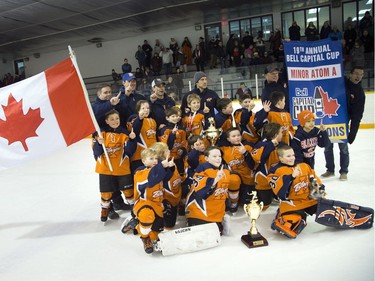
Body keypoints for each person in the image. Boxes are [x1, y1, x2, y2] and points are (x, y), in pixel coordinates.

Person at [267, 145, 326, 239]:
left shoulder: (304, 166)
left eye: (293, 155)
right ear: (281, 158)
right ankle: (281, 216)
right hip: (292, 203)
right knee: (292, 225)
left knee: (328, 209)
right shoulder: (275, 171)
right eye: (288, 156)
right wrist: (291, 177)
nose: (292, 158)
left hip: (308, 200)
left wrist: (320, 188)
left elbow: (314, 178)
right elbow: (280, 193)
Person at [321, 66, 366, 181]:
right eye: (356, 73)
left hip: (343, 123)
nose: (358, 76)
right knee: (327, 147)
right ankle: (330, 170)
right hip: (329, 119)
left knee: (343, 148)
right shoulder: (341, 82)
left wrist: (353, 133)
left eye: (361, 74)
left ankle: (344, 171)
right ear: (350, 74)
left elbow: (357, 115)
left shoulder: (360, 94)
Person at [92, 84, 131, 212]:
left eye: (109, 92)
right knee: (107, 175)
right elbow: (97, 112)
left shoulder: (113, 102)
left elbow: (125, 113)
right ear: (99, 95)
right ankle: (109, 207)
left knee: (117, 173)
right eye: (105, 92)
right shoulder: (97, 106)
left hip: (116, 141)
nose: (108, 94)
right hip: (102, 141)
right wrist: (110, 103)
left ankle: (118, 201)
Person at [93, 110, 137, 222]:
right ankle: (104, 209)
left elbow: (130, 152)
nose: (115, 121)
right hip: (105, 169)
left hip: (122, 168)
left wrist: (132, 140)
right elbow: (97, 153)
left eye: (117, 118)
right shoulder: (100, 134)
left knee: (128, 192)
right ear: (107, 121)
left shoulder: (125, 134)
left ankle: (134, 208)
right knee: (106, 193)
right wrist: (99, 143)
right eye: (111, 119)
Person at [185, 146, 238, 234]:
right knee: (202, 236)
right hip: (200, 211)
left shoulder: (225, 169)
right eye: (214, 156)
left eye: (219, 156)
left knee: (217, 235)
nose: (218, 159)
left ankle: (221, 219)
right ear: (206, 158)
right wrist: (214, 180)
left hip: (216, 212)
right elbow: (200, 194)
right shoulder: (202, 169)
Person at [132, 148, 175, 254]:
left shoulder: (157, 171)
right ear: (144, 161)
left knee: (154, 235)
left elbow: (165, 178)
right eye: (151, 158)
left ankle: (137, 225)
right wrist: (162, 166)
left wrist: (170, 167)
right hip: (144, 203)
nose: (155, 161)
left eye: (156, 158)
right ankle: (144, 237)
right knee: (147, 217)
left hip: (158, 205)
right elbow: (151, 180)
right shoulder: (140, 172)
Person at [251, 122, 284, 209]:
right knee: (264, 206)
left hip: (277, 178)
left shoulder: (282, 144)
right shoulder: (261, 144)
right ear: (276, 134)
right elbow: (260, 159)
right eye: (281, 132)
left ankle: (274, 195)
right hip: (263, 179)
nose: (283, 134)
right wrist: (271, 145)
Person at [151, 142, 182, 229]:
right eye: (167, 149)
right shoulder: (158, 167)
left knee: (171, 223)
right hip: (166, 199)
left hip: (174, 196)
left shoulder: (171, 162)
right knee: (169, 224)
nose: (169, 150)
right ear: (162, 153)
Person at [219, 127, 253, 206]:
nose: (237, 137)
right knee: (233, 180)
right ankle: (233, 202)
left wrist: (246, 154)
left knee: (246, 202)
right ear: (228, 139)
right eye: (233, 136)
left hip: (248, 178)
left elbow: (252, 164)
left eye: (238, 135)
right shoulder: (224, 149)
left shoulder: (248, 147)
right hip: (235, 176)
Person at [126, 100, 157, 172]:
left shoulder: (153, 121)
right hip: (139, 157)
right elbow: (134, 132)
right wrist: (139, 119)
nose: (146, 110)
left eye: (148, 108)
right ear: (138, 110)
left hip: (152, 156)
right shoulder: (133, 118)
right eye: (143, 108)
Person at [158, 106, 188, 176]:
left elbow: (184, 142)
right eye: (173, 116)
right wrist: (172, 134)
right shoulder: (164, 130)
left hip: (179, 158)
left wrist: (182, 149)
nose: (175, 118)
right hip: (168, 158)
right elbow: (166, 146)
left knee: (180, 176)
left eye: (177, 116)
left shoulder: (182, 129)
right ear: (167, 118)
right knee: (170, 176)